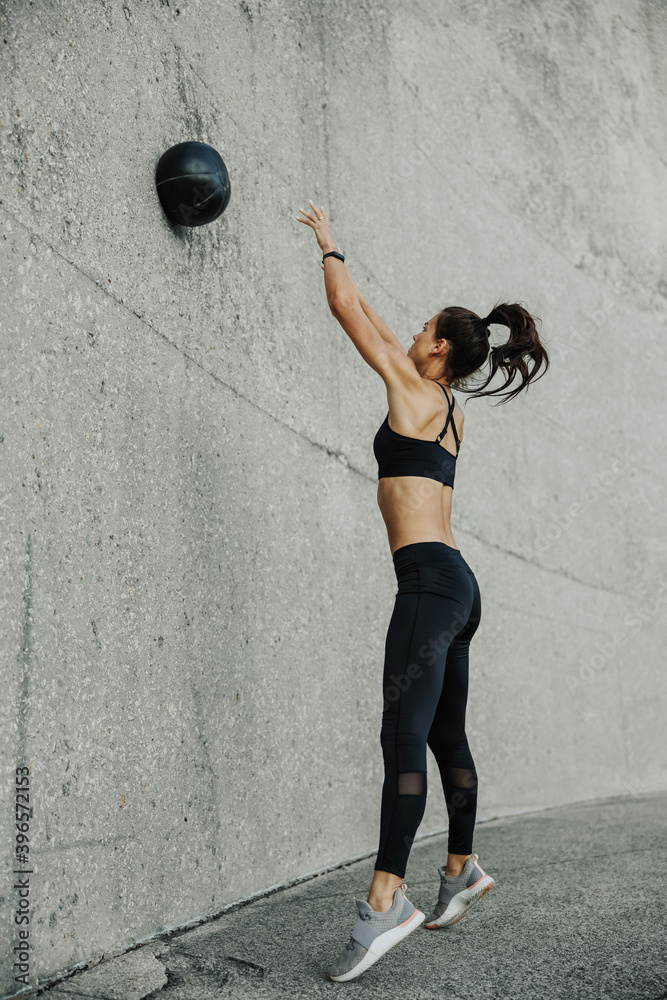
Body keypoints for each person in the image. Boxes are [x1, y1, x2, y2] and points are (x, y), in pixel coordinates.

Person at [296, 201, 550, 982]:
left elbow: (346, 310)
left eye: (420, 328)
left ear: (436, 347)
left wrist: (330, 245)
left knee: (402, 741)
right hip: (461, 590)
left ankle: (386, 901)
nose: (406, 332)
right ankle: (462, 868)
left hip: (429, 589)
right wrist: (363, 290)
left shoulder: (410, 392)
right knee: (444, 737)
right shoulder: (451, 413)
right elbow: (372, 320)